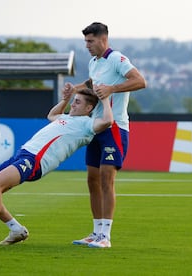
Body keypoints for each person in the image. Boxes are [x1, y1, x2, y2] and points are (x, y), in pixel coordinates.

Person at [0, 85, 113, 246]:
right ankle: (16, 229)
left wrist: (105, 99)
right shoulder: (65, 117)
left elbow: (107, 121)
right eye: (74, 101)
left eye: (77, 102)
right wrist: (66, 99)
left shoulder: (87, 124)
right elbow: (51, 114)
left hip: (35, 160)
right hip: (23, 153)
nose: (73, 104)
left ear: (88, 108)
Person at [71, 22, 147, 248]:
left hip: (115, 127)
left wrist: (112, 89)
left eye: (90, 41)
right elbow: (92, 83)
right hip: (96, 127)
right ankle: (95, 233)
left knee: (106, 178)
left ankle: (106, 236)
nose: (87, 45)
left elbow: (140, 81)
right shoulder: (95, 63)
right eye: (85, 41)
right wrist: (75, 89)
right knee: (92, 179)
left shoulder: (117, 59)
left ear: (103, 39)